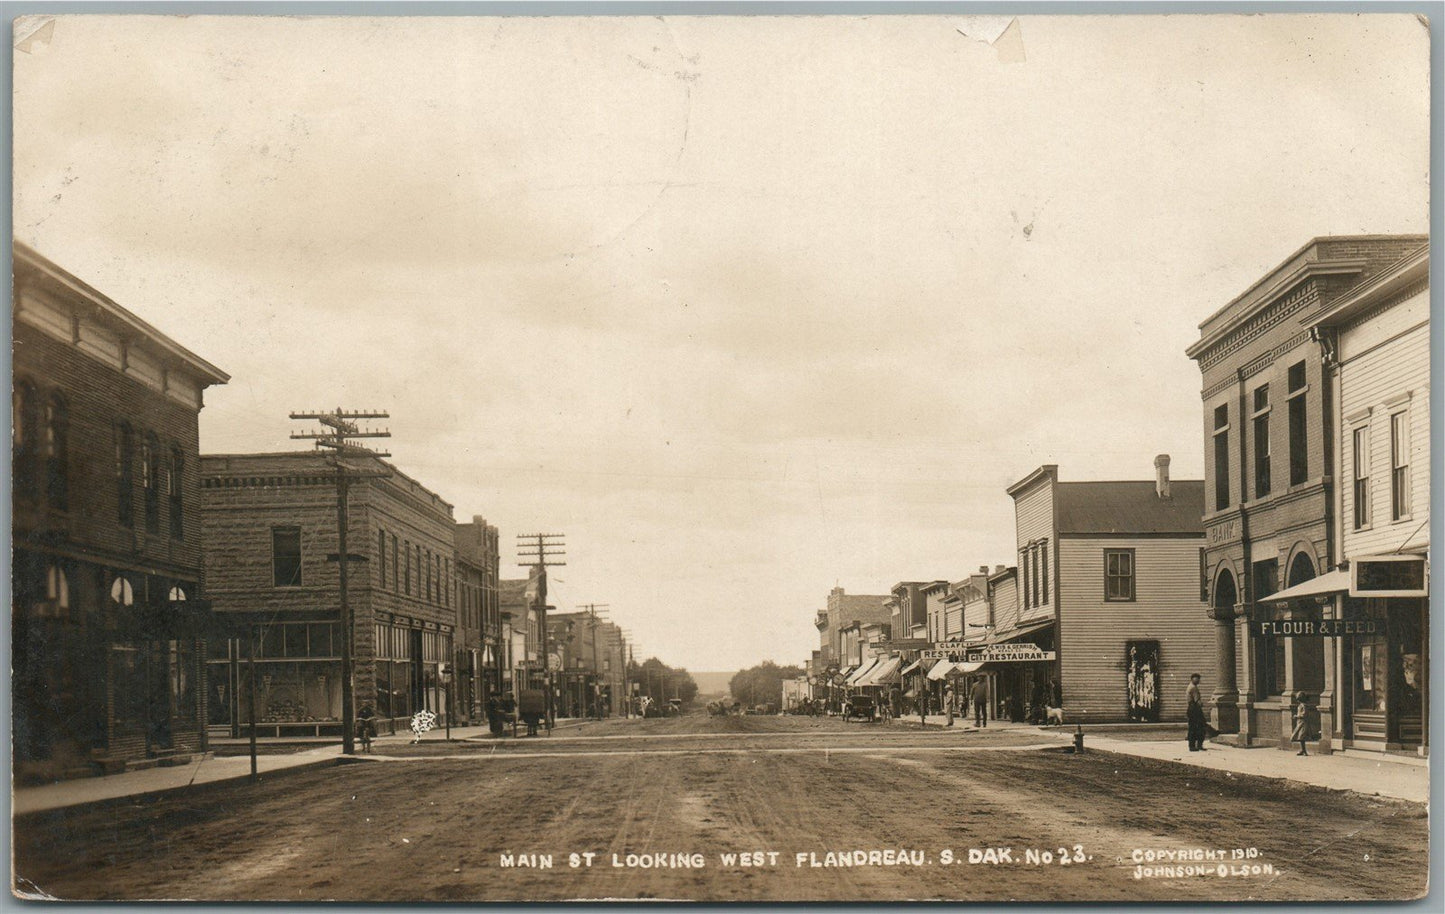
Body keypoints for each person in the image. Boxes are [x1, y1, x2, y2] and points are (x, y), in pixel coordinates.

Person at [1292, 691, 1320, 756]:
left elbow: (1304, 714)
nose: (1298, 700)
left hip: (1303, 723)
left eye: (1298, 699)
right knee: (1300, 737)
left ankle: (1304, 751)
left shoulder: (1304, 706)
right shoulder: (1301, 705)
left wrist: (1297, 716)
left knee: (1301, 737)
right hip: (1300, 723)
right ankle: (1302, 750)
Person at [1185, 673, 1207, 751]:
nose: (1197, 680)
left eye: (1198, 679)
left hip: (1191, 709)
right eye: (1196, 678)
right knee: (1200, 727)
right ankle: (1197, 746)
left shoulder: (1189, 686)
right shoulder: (1194, 688)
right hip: (1195, 709)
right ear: (1192, 679)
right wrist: (1202, 705)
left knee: (1193, 727)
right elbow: (1197, 701)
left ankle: (1193, 745)